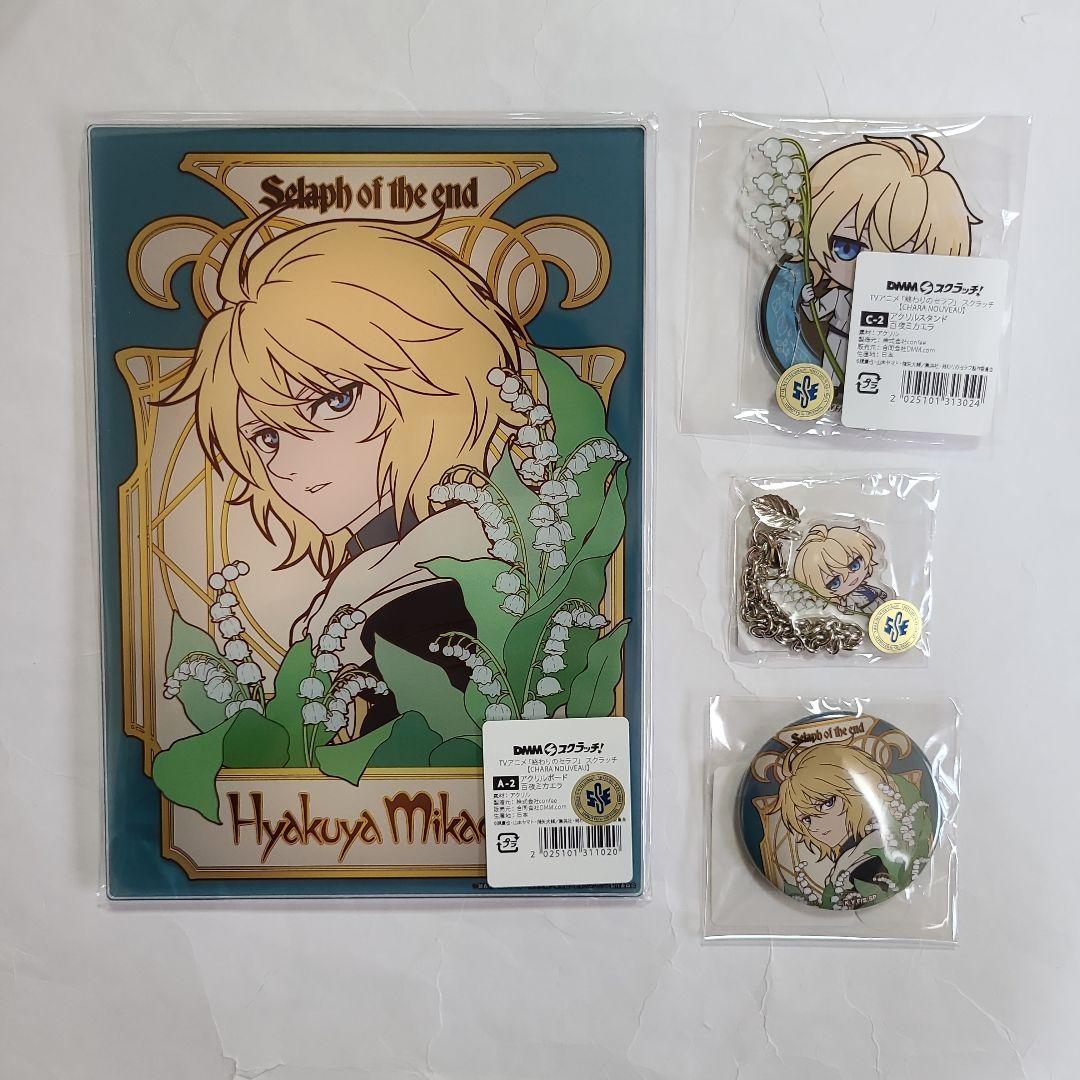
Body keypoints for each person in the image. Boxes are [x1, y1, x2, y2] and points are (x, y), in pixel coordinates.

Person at [165, 207, 530, 733]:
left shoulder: (436, 593)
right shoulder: (364, 583)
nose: (293, 464)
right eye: (267, 437)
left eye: (334, 401)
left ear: (437, 372)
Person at [796, 134, 980, 384]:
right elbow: (815, 314)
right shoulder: (839, 296)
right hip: (837, 345)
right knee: (832, 381)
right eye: (848, 248)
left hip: (890, 361)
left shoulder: (913, 311)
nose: (871, 267)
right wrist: (808, 301)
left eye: (900, 259)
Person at [792, 523, 888, 615]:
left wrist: (881, 593)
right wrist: (844, 609)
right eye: (835, 582)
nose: (850, 577)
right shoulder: (850, 597)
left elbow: (875, 590)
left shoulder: (865, 587)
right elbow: (849, 608)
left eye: (855, 565)